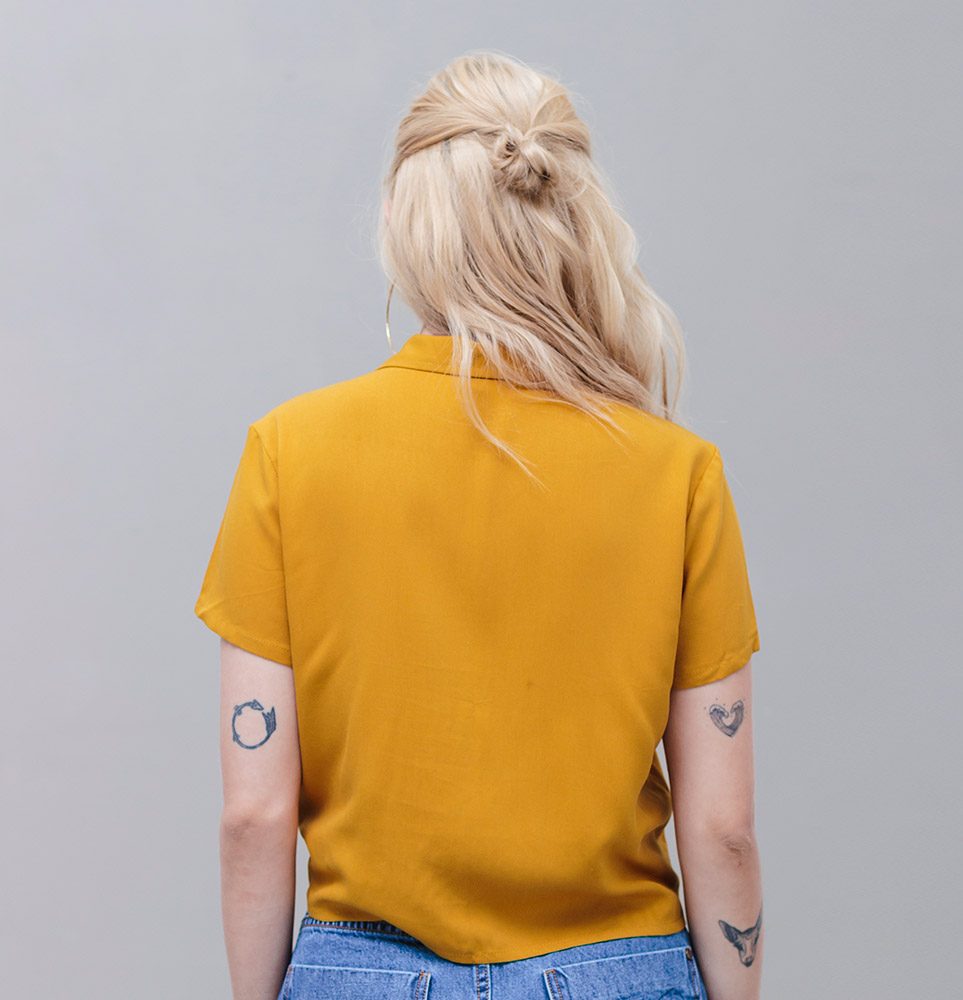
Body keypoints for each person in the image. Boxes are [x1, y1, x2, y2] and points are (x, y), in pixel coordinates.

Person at [195, 50, 763, 1000]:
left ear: (398, 222)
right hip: (616, 970)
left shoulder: (288, 452)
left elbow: (253, 815)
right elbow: (723, 828)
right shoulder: (678, 474)